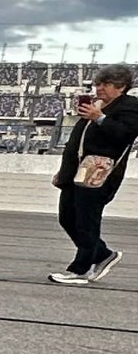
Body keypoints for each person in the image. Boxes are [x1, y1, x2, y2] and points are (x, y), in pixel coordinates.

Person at [50, 64, 138, 284]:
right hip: (76, 171)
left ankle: (80, 269)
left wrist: (100, 118)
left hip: (100, 172)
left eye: (106, 84)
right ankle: (102, 254)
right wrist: (63, 172)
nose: (99, 88)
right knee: (67, 217)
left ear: (121, 87)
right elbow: (77, 141)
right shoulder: (96, 105)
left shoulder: (130, 106)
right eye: (98, 84)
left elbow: (125, 134)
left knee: (87, 220)